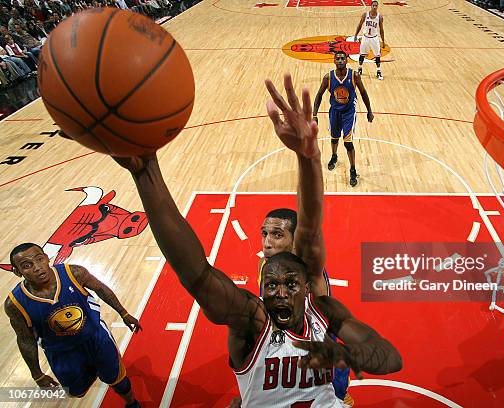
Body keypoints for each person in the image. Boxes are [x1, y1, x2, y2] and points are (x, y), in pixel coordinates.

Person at [104, 74, 401, 406]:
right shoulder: (251, 321)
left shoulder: (323, 308)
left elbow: (390, 357)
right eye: (271, 285)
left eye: (290, 284)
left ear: (306, 286)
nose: (279, 291)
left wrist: (309, 156)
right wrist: (146, 174)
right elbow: (197, 274)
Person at [4, 243, 142, 407]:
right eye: (27, 266)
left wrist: (123, 313)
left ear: (47, 258)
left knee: (119, 381)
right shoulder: (15, 304)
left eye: (39, 259)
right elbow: (25, 340)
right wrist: (37, 374)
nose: (37, 267)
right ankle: (93, 371)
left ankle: (132, 403)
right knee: (76, 392)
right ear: (17, 272)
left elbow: (101, 288)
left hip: (96, 338)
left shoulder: (73, 273)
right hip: (62, 353)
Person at [313, 50, 374, 187]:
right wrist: (314, 115)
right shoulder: (328, 77)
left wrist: (369, 110)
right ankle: (334, 156)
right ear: (334, 61)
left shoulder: (354, 76)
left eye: (342, 58)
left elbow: (364, 93)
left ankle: (353, 170)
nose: (340, 61)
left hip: (349, 113)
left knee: (348, 143)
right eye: (338, 59)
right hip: (334, 112)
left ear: (346, 60)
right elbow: (318, 95)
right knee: (334, 138)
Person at [353, 0, 385, 80]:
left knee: (377, 55)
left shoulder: (380, 17)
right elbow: (359, 25)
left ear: (377, 7)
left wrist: (383, 41)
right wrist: (356, 35)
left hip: (374, 38)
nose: (374, 7)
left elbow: (381, 29)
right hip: (365, 38)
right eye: (373, 5)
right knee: (362, 54)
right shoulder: (365, 14)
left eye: (376, 6)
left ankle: (378, 72)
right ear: (371, 6)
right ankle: (360, 69)